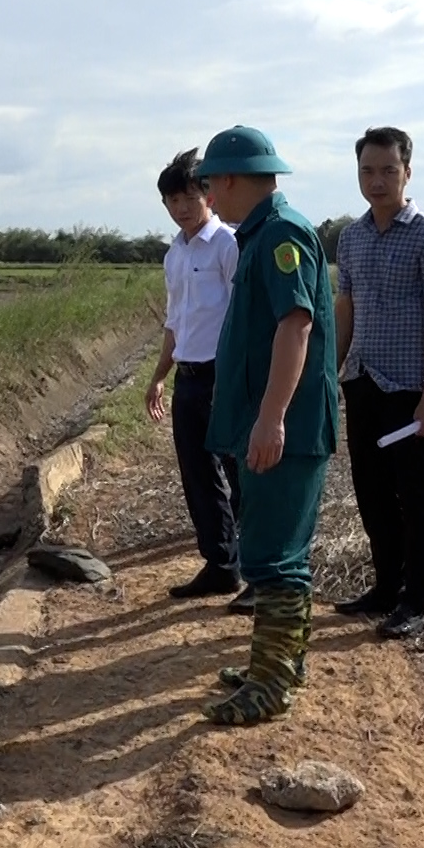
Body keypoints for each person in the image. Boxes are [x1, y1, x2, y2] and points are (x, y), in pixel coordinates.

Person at [197, 125, 339, 727]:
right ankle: (280, 665)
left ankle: (271, 686)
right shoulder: (260, 235)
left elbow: (296, 324)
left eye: (208, 184)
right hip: (275, 423)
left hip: (289, 426)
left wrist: (272, 417)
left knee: (275, 558)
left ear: (229, 180)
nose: (207, 197)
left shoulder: (281, 234)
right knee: (277, 550)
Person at [332, 126, 424, 640]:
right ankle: (387, 586)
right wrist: (331, 372)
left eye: (387, 170)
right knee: (373, 493)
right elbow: (346, 310)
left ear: (408, 171)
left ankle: (421, 598)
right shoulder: (351, 238)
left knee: (416, 498)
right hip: (362, 382)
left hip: (409, 392)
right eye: (367, 170)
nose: (376, 181)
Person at [144, 148, 248, 610]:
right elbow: (174, 322)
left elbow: (244, 316)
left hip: (223, 375)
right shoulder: (175, 255)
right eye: (172, 199)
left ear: (207, 194)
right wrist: (158, 376)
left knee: (235, 472)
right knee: (198, 473)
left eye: (189, 195)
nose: (182, 207)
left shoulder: (228, 244)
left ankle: (248, 562)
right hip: (188, 376)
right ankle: (221, 564)